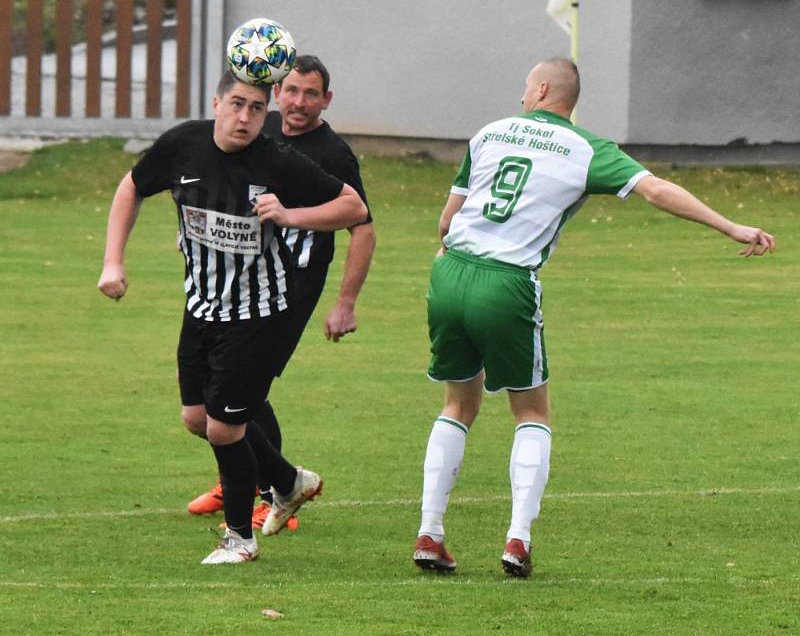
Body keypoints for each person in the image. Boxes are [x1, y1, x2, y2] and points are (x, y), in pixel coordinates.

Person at [413, 57, 775, 578]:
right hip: (508, 283)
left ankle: (431, 532)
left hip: (450, 275)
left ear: (540, 89)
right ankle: (518, 540)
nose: (521, 97)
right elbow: (656, 190)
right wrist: (729, 226)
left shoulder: (490, 133)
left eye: (524, 87)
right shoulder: (587, 150)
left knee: (458, 403)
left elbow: (447, 220)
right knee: (532, 413)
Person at [98, 71, 367, 564]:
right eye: (237, 104)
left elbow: (353, 206)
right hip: (201, 305)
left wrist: (291, 216)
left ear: (267, 115)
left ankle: (241, 539)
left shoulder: (276, 159)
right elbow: (131, 187)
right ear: (216, 101)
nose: (245, 118)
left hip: (259, 310)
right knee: (196, 419)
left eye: (257, 109)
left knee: (225, 428)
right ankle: (288, 482)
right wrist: (113, 261)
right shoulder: (183, 145)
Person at [187, 56, 376, 528]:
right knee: (221, 383)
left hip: (294, 284)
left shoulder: (332, 153)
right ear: (276, 92)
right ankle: (250, 476)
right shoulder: (259, 128)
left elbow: (363, 227)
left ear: (326, 100)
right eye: (291, 90)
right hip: (242, 275)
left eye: (311, 94)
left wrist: (345, 302)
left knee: (249, 384)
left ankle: (274, 490)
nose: (298, 102)